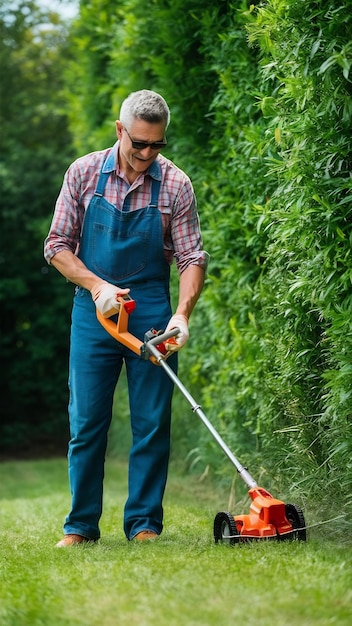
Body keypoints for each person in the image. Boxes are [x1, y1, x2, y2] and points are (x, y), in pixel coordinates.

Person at [44, 89, 209, 547]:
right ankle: (80, 526)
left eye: (157, 145)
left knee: (153, 421)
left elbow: (192, 255)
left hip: (152, 310)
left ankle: (144, 525)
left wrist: (182, 314)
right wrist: (97, 286)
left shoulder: (175, 184)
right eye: (138, 143)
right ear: (120, 131)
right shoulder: (82, 173)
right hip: (93, 310)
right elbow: (56, 245)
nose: (147, 154)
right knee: (87, 422)